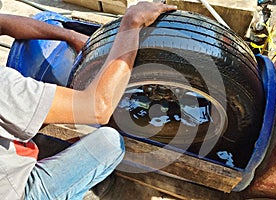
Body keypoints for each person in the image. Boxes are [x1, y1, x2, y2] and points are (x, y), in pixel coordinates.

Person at [0, 2, 177, 200]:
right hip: (17, 193)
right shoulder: (4, 85)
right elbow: (98, 107)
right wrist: (131, 24)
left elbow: (2, 23)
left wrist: (71, 35)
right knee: (110, 143)